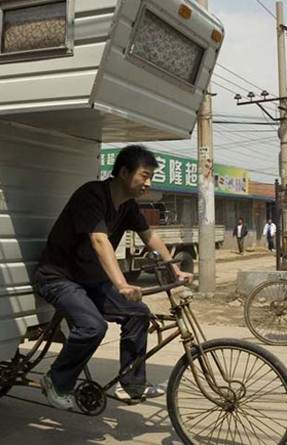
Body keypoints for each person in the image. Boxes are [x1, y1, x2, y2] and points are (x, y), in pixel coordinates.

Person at [33, 145, 193, 410]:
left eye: (151, 177)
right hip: (58, 278)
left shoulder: (127, 206)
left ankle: (132, 385)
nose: (148, 183)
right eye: (145, 175)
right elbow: (99, 240)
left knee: (138, 313)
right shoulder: (91, 195)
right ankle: (56, 381)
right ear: (124, 172)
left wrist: (173, 268)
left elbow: (150, 236)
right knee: (93, 327)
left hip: (88, 281)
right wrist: (121, 284)